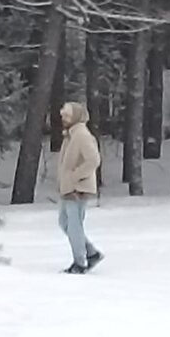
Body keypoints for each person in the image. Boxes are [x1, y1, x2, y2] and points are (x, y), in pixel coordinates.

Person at [57, 101, 103, 274]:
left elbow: (93, 160)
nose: (64, 119)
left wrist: (75, 177)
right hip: (69, 187)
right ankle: (91, 253)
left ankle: (80, 262)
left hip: (78, 189)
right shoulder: (71, 135)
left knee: (74, 224)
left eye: (67, 116)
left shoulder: (82, 135)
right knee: (65, 223)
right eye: (64, 115)